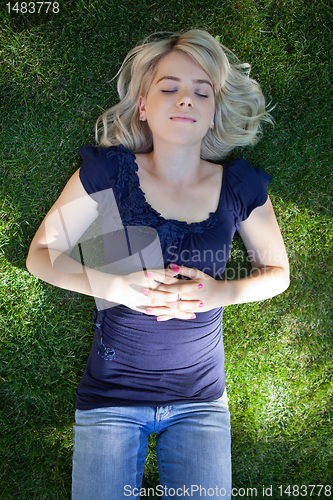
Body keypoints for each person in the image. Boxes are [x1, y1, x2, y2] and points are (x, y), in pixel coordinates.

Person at [26, 30, 289, 499]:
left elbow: (278, 273)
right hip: (110, 400)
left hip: (201, 402)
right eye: (169, 87)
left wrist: (220, 292)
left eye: (201, 91)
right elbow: (41, 254)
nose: (186, 98)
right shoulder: (110, 173)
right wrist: (117, 288)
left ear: (212, 114)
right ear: (144, 106)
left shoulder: (238, 186)